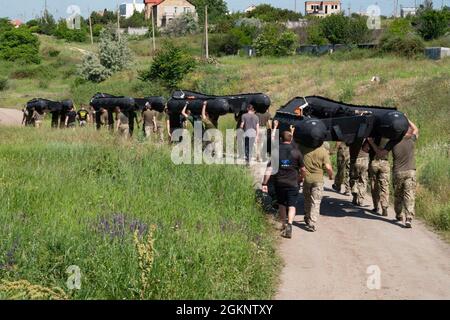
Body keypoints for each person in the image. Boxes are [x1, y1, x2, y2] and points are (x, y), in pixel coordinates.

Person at [373, 120, 419, 228]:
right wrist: (406, 120)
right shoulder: (411, 138)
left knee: (398, 195)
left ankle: (399, 214)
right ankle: (408, 218)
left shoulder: (392, 141)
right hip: (411, 171)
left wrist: (371, 143)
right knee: (410, 195)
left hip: (398, 172)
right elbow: (416, 129)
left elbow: (381, 154)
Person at [262, 131, 306, 239]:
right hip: (293, 183)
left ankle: (283, 224)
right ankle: (290, 224)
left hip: (279, 182)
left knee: (282, 204)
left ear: (281, 139)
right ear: (290, 139)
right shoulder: (297, 152)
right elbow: (303, 170)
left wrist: (264, 183)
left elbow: (269, 169)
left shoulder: (276, 152)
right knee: (292, 205)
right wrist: (300, 178)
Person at [300, 143, 334, 232]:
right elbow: (328, 167)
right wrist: (331, 175)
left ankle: (307, 217)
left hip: (307, 179)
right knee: (315, 201)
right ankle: (312, 222)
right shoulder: (323, 152)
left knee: (307, 199)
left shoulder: (305, 149)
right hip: (318, 181)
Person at [367, 137, 391, 216]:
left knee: (374, 185)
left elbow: (365, 149)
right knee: (385, 186)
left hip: (374, 162)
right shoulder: (389, 136)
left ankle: (376, 206)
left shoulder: (373, 135)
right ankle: (384, 207)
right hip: (385, 162)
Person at [349, 139, 370, 206]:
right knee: (363, 180)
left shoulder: (352, 136)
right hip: (365, 159)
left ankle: (354, 193)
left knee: (353, 178)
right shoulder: (367, 135)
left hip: (354, 160)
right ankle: (360, 200)